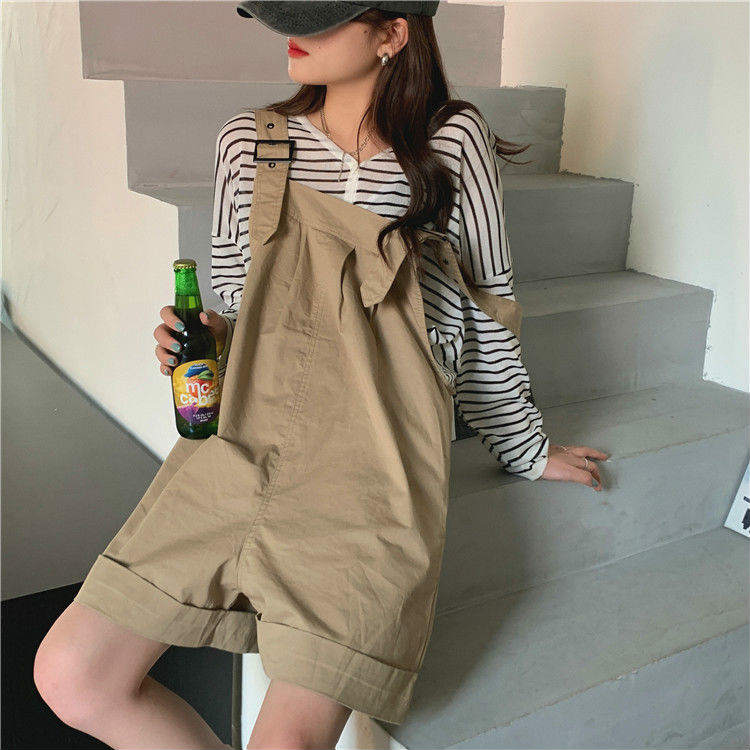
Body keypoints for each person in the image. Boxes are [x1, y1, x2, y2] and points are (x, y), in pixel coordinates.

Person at [34, 3, 609, 748]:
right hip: (242, 444)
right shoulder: (249, 142)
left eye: (322, 14)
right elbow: (240, 303)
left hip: (372, 469)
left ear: (393, 31)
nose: (293, 32)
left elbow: (484, 308)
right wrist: (206, 340)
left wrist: (525, 447)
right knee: (72, 675)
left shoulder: (452, 141)